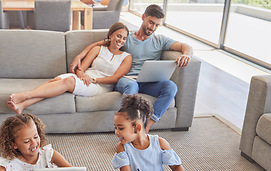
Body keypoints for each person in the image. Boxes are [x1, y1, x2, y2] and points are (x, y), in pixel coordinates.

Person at [70, 4, 193, 132]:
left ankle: (146, 128)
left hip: (150, 82)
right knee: (132, 87)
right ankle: (127, 127)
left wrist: (186, 54)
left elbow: (185, 46)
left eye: (157, 25)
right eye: (151, 22)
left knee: (171, 86)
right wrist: (79, 56)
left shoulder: (160, 40)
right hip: (127, 80)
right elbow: (102, 43)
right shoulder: (127, 37)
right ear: (143, 17)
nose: (153, 27)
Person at [7, 22, 132, 114]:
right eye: (118, 36)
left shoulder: (126, 57)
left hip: (100, 86)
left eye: (124, 38)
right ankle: (22, 105)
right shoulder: (98, 49)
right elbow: (80, 68)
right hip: (85, 78)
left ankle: (26, 95)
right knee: (55, 82)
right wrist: (82, 74)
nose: (121, 40)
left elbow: (116, 78)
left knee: (68, 81)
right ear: (110, 35)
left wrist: (94, 80)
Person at [112, 94, 194, 171]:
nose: (116, 132)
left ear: (137, 128)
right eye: (115, 127)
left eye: (121, 128)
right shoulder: (122, 147)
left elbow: (176, 166)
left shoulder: (160, 143)